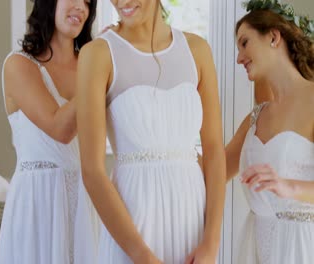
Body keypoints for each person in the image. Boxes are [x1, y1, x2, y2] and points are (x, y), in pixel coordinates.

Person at [76, 0, 226, 263]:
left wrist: (211, 243)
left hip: (192, 224)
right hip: (134, 227)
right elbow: (92, 171)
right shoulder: (98, 54)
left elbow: (214, 150)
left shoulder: (197, 50)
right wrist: (142, 255)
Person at [0, 0, 97, 263]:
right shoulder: (19, 65)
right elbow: (59, 128)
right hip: (36, 201)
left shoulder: (91, 64)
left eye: (87, 1)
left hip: (85, 200)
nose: (81, 7)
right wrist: (96, 72)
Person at [224, 0, 314, 263]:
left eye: (244, 43)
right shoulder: (255, 117)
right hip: (257, 248)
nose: (239, 57)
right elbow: (212, 171)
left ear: (274, 37)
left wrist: (288, 186)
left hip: (302, 248)